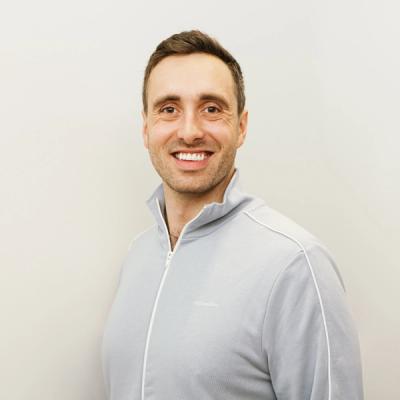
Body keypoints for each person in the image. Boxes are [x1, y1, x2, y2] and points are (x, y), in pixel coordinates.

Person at [102, 30, 363, 400]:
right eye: (169, 109)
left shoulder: (295, 264)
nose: (189, 132)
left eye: (211, 109)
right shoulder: (138, 256)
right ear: (146, 129)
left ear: (241, 127)